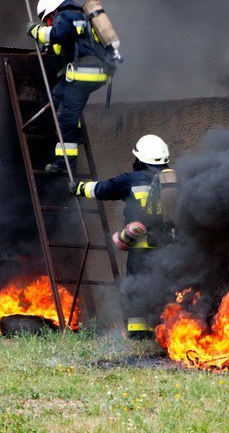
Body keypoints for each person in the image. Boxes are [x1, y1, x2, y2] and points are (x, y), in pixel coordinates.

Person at [72, 134, 178, 339]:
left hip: (141, 246)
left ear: (140, 159)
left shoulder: (132, 179)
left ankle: (139, 333)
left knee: (137, 288)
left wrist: (77, 187)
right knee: (164, 287)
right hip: (169, 247)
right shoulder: (175, 181)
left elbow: (102, 189)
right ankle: (165, 330)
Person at [26, 0, 111, 174]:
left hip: (83, 75)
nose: (48, 24)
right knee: (56, 98)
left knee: (65, 117)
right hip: (89, 73)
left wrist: (36, 30)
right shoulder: (77, 16)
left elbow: (57, 33)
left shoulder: (65, 15)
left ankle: (64, 163)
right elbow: (65, 43)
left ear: (53, 10)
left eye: (47, 20)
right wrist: (49, 46)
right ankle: (67, 128)